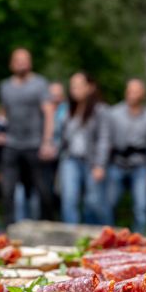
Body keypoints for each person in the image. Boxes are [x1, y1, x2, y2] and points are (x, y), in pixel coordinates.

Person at [0, 48, 56, 227]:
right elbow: (3, 112)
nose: (21, 63)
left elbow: (49, 113)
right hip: (11, 144)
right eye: (18, 60)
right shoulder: (5, 86)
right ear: (11, 64)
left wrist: (47, 141)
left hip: (35, 144)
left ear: (30, 62)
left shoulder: (40, 84)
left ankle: (47, 228)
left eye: (25, 59)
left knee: (43, 190)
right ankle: (8, 230)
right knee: (7, 190)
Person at [98, 78, 146, 233]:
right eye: (130, 90)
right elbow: (105, 139)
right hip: (117, 162)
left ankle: (139, 238)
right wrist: (101, 164)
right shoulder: (114, 113)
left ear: (143, 94)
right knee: (109, 202)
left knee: (141, 206)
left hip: (140, 164)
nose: (132, 94)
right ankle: (109, 235)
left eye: (136, 91)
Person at [58, 72, 108, 225]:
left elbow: (104, 139)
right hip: (70, 159)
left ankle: (92, 234)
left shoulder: (100, 110)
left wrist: (100, 164)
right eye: (72, 86)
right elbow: (62, 136)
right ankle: (71, 234)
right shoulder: (66, 109)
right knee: (69, 198)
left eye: (79, 86)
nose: (75, 89)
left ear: (90, 87)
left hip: (92, 161)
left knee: (92, 202)